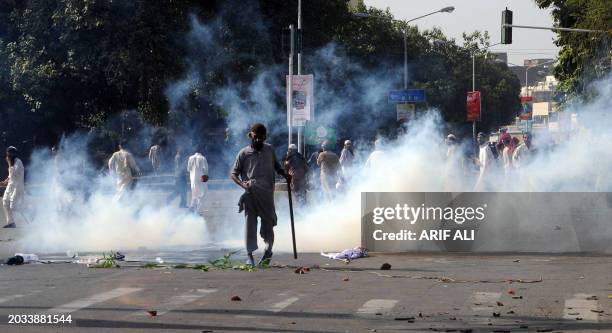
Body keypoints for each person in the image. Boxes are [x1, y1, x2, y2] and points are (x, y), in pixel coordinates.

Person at [231, 123, 289, 267]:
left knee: (268, 224)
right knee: (250, 225)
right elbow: (233, 173)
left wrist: (285, 174)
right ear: (251, 136)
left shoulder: (269, 149)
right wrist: (242, 184)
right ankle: (249, 256)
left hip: (267, 195)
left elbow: (277, 166)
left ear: (264, 138)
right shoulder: (243, 153)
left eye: (261, 138)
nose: (258, 141)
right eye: (255, 137)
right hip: (250, 194)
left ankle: (268, 251)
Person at [1, 147, 25, 228]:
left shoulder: (18, 162)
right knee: (5, 202)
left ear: (13, 154)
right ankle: (11, 222)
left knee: (13, 207)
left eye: (9, 154)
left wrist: (8, 163)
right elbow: (10, 175)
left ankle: (29, 211)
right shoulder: (11, 162)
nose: (8, 155)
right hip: (10, 186)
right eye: (7, 153)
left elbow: (14, 172)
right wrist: (5, 181)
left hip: (17, 186)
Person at [187, 145, 209, 215]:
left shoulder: (190, 158)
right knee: (202, 194)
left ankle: (192, 207)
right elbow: (205, 170)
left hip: (192, 179)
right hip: (201, 178)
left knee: (194, 194)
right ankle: (197, 211)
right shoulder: (202, 158)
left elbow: (188, 169)